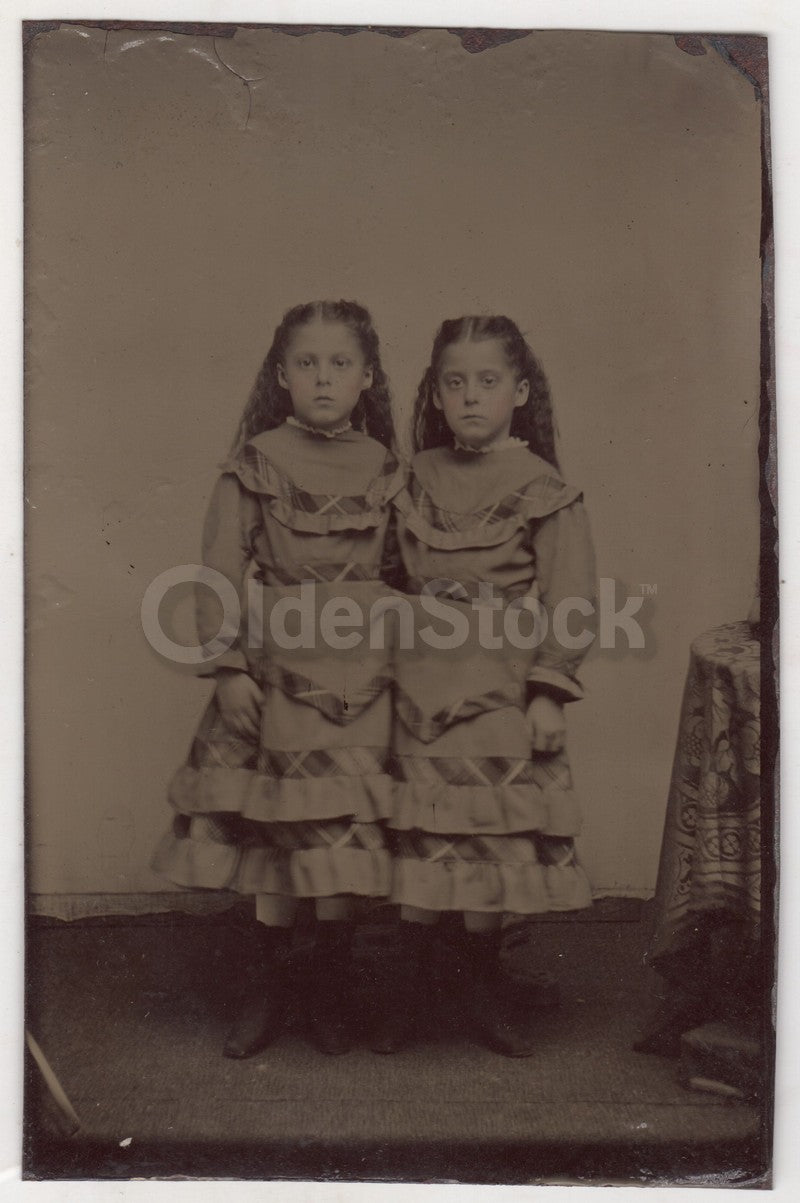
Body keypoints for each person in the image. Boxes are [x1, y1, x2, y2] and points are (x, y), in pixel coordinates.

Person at [152, 300, 403, 1058]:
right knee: (276, 837)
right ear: (282, 375)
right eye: (306, 364)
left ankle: (330, 983)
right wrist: (228, 666)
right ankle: (271, 984)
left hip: (364, 678)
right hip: (278, 671)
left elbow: (410, 572)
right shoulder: (254, 463)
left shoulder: (390, 469)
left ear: (366, 377)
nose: (322, 378)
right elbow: (218, 572)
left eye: (339, 364)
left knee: (341, 838)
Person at [372, 315, 596, 1057]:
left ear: (520, 391)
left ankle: (477, 982)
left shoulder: (543, 488)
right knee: (422, 834)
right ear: (435, 394)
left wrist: (547, 691)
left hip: (499, 691)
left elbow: (571, 597)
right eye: (454, 382)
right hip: (416, 686)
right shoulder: (411, 478)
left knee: (489, 841)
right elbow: (379, 575)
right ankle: (409, 988)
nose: (470, 396)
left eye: (488, 381)